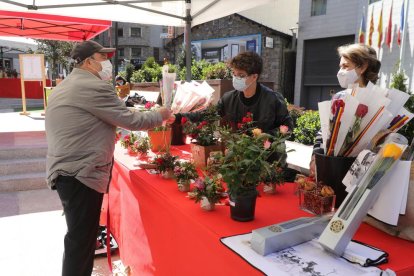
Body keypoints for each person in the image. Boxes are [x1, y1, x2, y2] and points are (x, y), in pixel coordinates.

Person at [45, 40, 171, 276]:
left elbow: (115, 113)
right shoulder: (93, 86)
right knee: (81, 241)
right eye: (102, 58)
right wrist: (161, 115)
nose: (108, 63)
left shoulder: (67, 84)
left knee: (79, 238)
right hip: (80, 172)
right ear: (88, 62)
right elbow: (131, 122)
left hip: (66, 170)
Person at [175, 51, 293, 135]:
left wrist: (267, 136)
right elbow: (207, 114)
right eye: (234, 74)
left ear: (254, 77)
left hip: (268, 158)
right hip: (239, 156)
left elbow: (288, 127)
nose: (236, 78)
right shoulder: (229, 99)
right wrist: (178, 117)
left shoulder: (273, 99)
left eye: (241, 75)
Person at [310, 43, 381, 175]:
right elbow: (324, 130)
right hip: (333, 167)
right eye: (340, 66)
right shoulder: (339, 97)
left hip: (362, 171)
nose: (340, 72)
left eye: (346, 66)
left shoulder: (380, 100)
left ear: (363, 67)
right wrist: (315, 157)